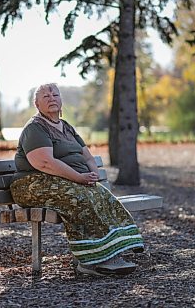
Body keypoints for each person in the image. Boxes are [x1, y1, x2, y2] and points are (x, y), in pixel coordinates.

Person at [10, 83, 144, 276]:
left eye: (55, 95)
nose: (52, 98)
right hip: (33, 184)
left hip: (64, 181)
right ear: (37, 105)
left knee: (103, 196)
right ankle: (90, 261)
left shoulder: (67, 127)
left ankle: (115, 250)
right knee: (79, 199)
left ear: (61, 100)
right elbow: (45, 163)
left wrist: (93, 174)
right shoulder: (35, 128)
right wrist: (80, 178)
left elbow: (88, 156)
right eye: (46, 97)